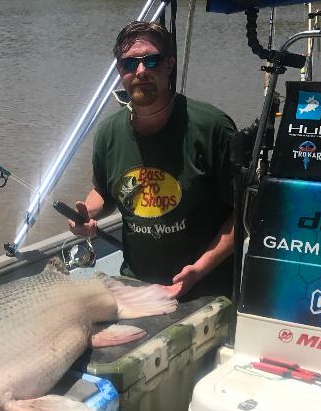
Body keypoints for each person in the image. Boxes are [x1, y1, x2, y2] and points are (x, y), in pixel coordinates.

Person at [69, 21, 236, 299]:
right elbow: (105, 191)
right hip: (136, 284)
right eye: (129, 64)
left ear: (169, 64)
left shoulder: (212, 127)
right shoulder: (109, 133)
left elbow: (245, 213)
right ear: (119, 71)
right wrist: (86, 214)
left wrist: (199, 269)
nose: (141, 71)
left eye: (152, 60)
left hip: (207, 288)